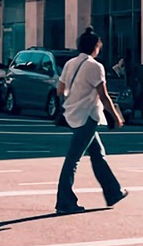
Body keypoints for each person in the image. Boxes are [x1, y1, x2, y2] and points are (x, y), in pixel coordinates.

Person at [55, 27, 128, 215]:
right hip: (88, 116)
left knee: (97, 153)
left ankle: (114, 192)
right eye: (99, 46)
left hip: (73, 115)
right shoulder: (95, 66)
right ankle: (65, 202)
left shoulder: (70, 63)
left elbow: (60, 89)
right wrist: (116, 116)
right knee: (73, 159)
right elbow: (104, 96)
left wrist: (72, 99)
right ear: (95, 46)